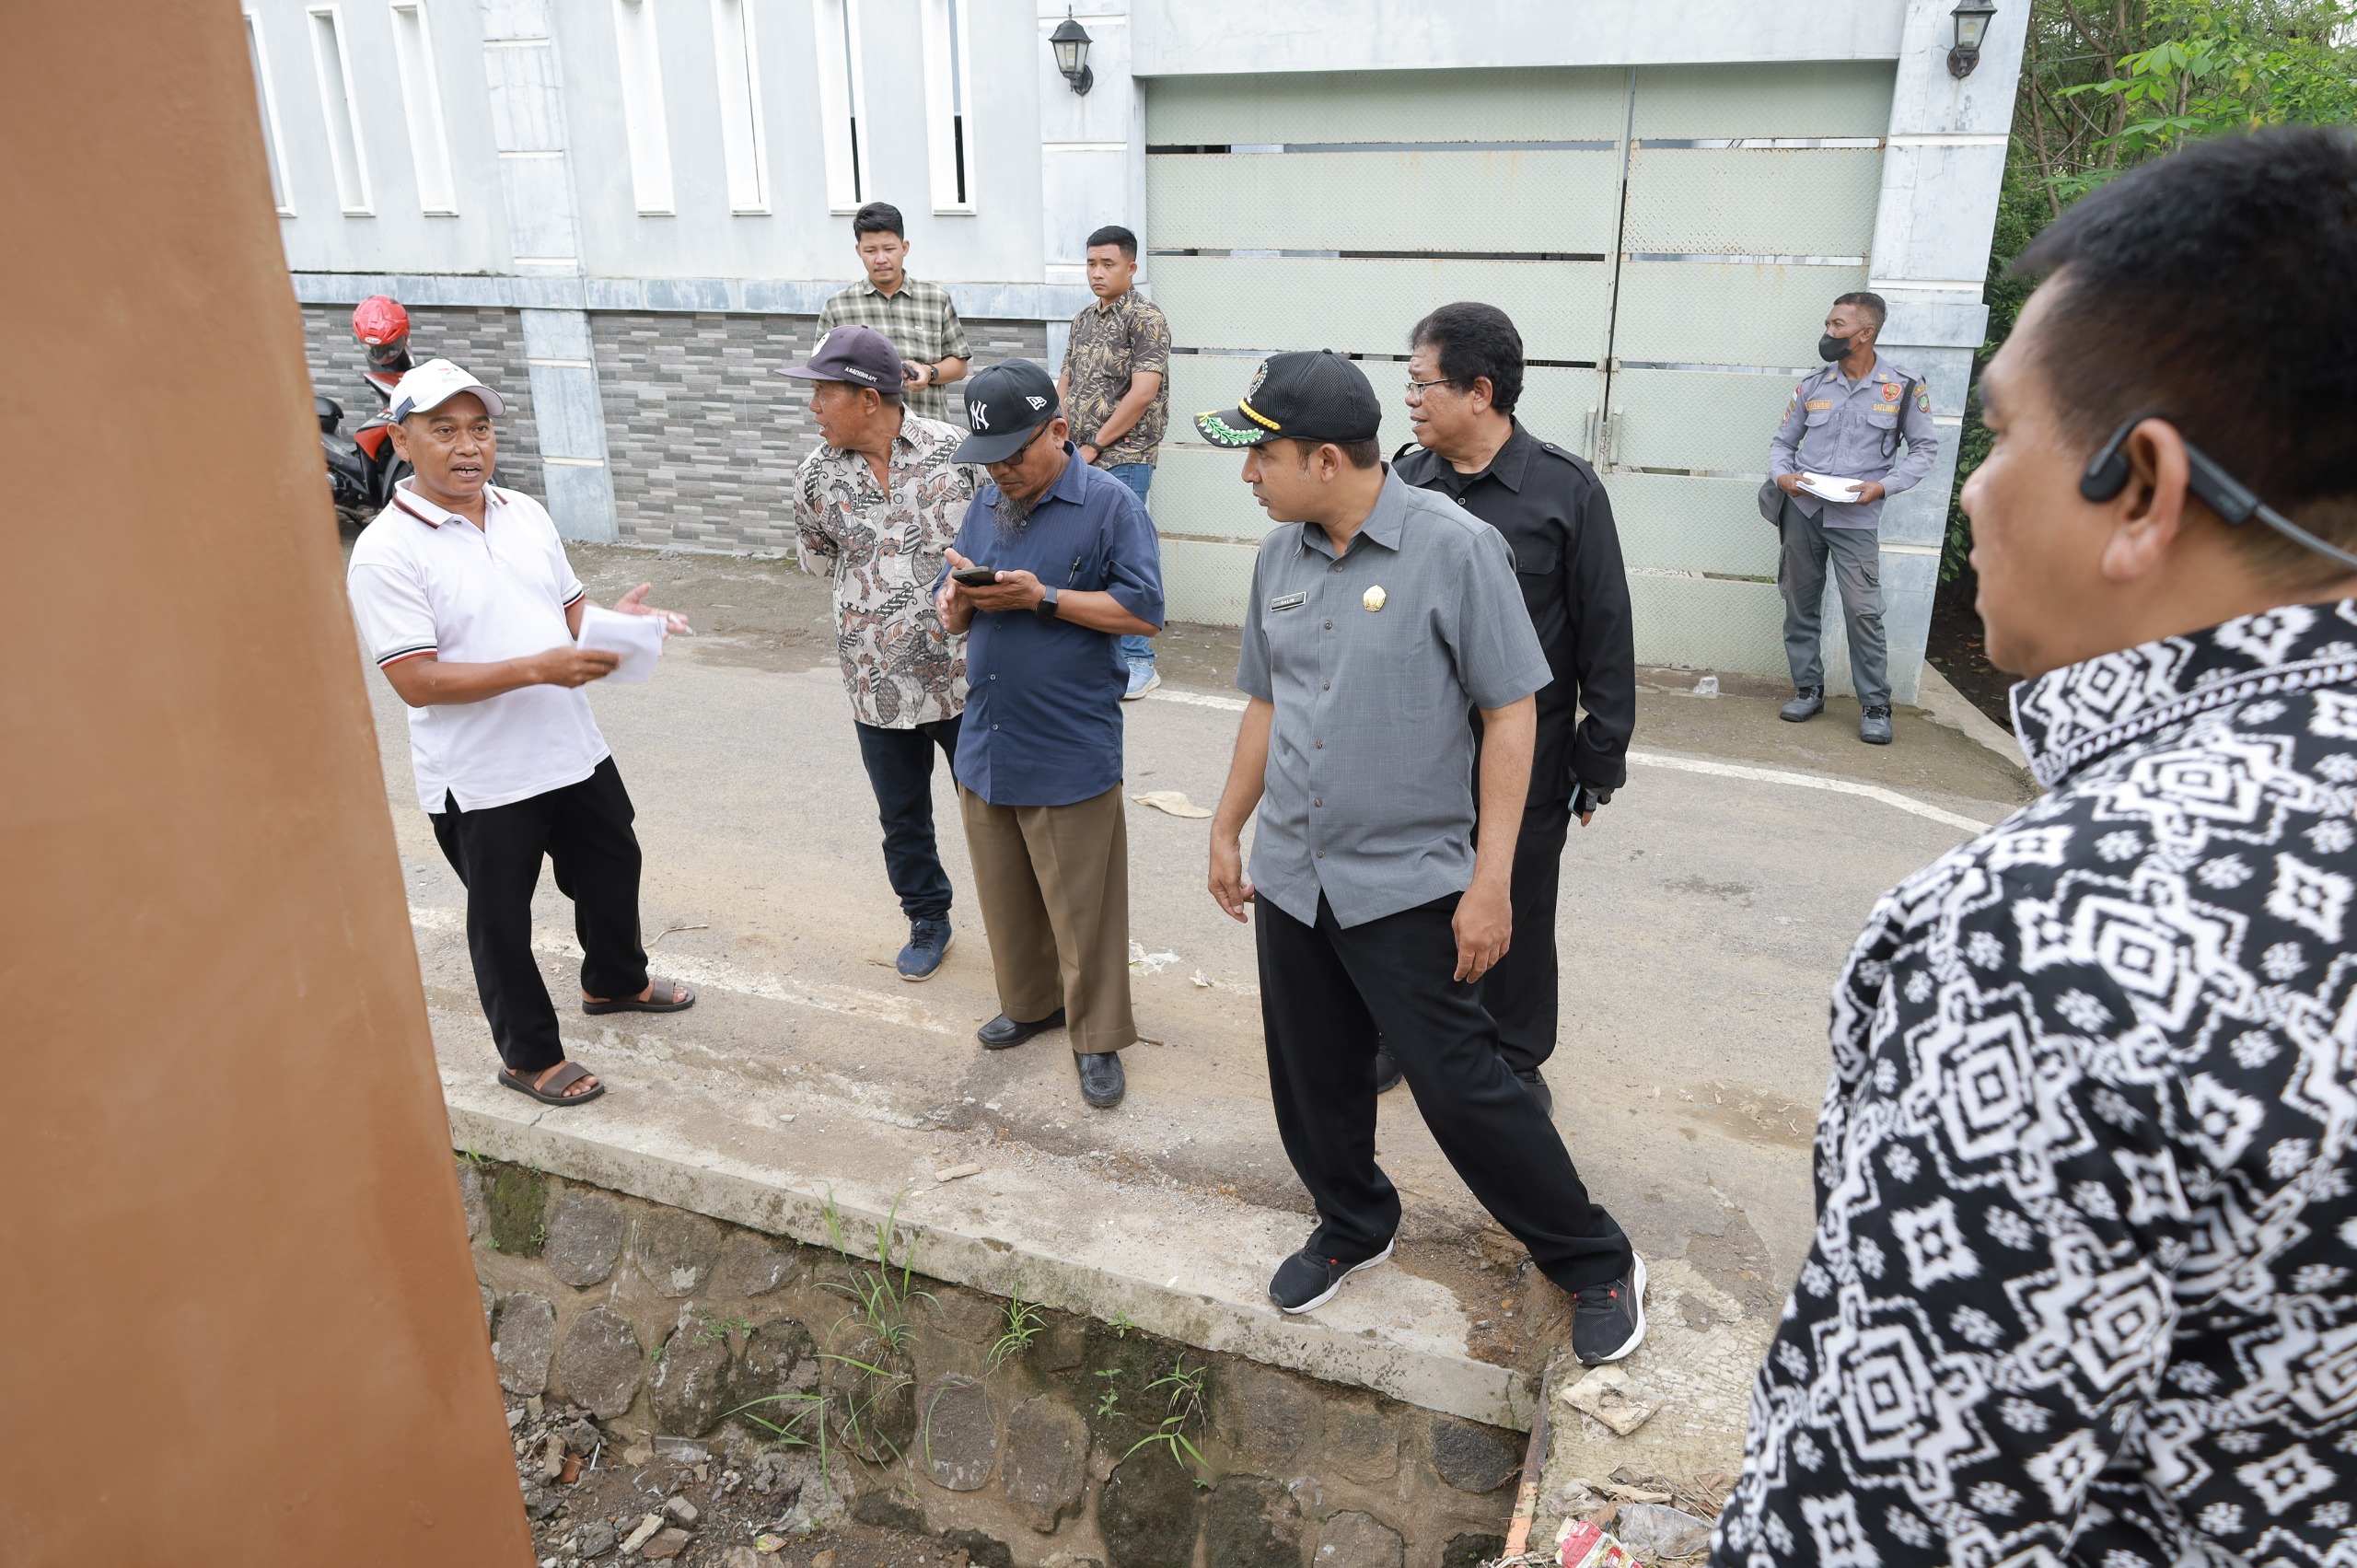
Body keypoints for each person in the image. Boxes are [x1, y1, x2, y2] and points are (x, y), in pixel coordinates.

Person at [1713, 128, 2357, 1568]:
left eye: (2007, 437)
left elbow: (1880, 1514)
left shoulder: (2053, 939)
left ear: (2143, 490)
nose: (1976, 490)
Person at [1197, 351, 1643, 1363]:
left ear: (1322, 459)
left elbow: (1511, 712)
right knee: (1310, 1070)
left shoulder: (1455, 547)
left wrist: (1491, 880)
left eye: (1258, 454)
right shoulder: (1282, 556)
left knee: (1463, 1084)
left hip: (1407, 878)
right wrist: (1227, 826)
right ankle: (1353, 1220)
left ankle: (1592, 1255)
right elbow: (1268, 702)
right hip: (1297, 872)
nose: (1246, 475)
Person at [344, 359, 695, 1108]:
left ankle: (613, 980)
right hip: (479, 772)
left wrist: (617, 624)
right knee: (501, 917)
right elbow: (415, 680)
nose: (468, 446)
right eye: (443, 430)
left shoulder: (522, 512)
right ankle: (528, 1055)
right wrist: (538, 668)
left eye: (480, 428)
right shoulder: (385, 551)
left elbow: (568, 611)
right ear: (402, 442)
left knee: (613, 861)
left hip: (568, 744)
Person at [1388, 302, 1635, 1111]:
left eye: (1424, 384)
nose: (1411, 399)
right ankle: (1403, 1031)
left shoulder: (1564, 492)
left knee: (1516, 902)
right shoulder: (1404, 482)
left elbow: (1606, 631)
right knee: (1413, 900)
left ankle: (1515, 1055)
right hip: (1420, 751)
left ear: (1480, 391)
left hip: (1527, 754)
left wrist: (1598, 762)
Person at [933, 361, 1165, 1110]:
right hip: (987, 738)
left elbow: (1142, 611)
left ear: (1058, 431)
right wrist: (957, 607)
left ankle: (1096, 1036)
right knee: (1007, 894)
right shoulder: (987, 503)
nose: (1001, 471)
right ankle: (1031, 1002)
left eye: (1013, 454)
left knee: (1083, 906)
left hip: (1068, 741)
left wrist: (1046, 598)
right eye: (989, 459)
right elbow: (957, 591)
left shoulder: (1108, 506)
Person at [783, 324, 984, 981]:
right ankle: (928, 918)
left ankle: (1023, 921)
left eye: (822, 393)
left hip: (965, 676)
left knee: (993, 810)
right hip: (875, 678)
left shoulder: (958, 453)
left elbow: (1002, 535)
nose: (813, 407)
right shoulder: (815, 476)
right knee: (902, 816)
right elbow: (818, 560)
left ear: (868, 397)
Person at [1767, 290, 1939, 745]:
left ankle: (1876, 706)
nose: (1828, 333)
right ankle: (1808, 689)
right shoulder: (1812, 386)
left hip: (1856, 520)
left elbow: (1924, 450)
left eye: (1837, 326)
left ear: (1866, 333)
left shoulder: (1901, 387)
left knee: (1863, 612)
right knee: (1800, 603)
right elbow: (1782, 444)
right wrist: (1783, 477)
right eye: (1828, 324)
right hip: (1803, 510)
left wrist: (1885, 486)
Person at [1057, 224, 1172, 701]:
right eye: (1091, 263)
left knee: (1128, 553)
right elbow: (1063, 383)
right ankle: (1099, 655)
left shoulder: (1146, 318)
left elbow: (1142, 393)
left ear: (1131, 266)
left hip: (1122, 456)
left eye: (1108, 264)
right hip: (1077, 452)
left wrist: (1095, 446)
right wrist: (1058, 437)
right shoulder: (1084, 319)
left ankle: (1140, 660)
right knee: (1084, 551)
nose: (1097, 272)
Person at [818, 202, 970, 423]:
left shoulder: (936, 299)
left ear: (904, 247)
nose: (881, 259)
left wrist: (929, 373)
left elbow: (959, 365)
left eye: (889, 249)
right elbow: (822, 375)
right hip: (864, 436)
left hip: (928, 433)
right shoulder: (838, 307)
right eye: (870, 251)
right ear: (859, 250)